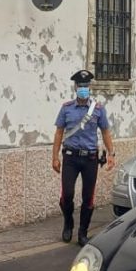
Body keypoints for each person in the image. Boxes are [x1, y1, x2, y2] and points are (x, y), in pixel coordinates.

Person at [52, 69, 114, 244]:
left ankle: (83, 232)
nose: (83, 88)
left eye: (86, 86)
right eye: (81, 86)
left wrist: (111, 154)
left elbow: (106, 132)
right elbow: (58, 133)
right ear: (75, 87)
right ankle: (68, 223)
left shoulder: (98, 110)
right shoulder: (66, 109)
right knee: (67, 194)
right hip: (70, 158)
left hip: (90, 159)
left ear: (90, 88)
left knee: (88, 197)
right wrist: (55, 157)